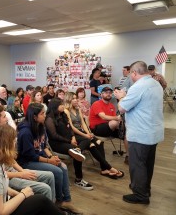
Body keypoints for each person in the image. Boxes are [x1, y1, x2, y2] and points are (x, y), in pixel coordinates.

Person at [0, 124, 78, 215]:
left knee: (39, 201)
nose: (15, 145)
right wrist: (23, 194)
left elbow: (0, 185)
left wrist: (16, 193)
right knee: (40, 201)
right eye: (14, 142)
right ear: (6, 146)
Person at [17, 103, 84, 215]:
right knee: (57, 171)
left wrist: (51, 157)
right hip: (27, 162)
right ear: (34, 117)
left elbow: (43, 147)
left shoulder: (41, 125)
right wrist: (49, 161)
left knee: (63, 166)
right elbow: (30, 155)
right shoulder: (25, 131)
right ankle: (57, 202)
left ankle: (66, 200)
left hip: (39, 157)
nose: (45, 116)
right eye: (42, 113)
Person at [114, 61, 164, 204]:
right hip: (153, 132)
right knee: (148, 163)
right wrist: (126, 94)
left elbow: (122, 107)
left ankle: (141, 195)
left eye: (131, 74)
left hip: (141, 133)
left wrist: (121, 97)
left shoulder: (138, 86)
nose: (130, 76)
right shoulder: (155, 83)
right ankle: (145, 189)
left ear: (134, 73)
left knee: (137, 164)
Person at [0, 105, 55, 201]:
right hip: (7, 178)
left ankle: (51, 207)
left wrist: (22, 171)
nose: (7, 118)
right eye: (4, 117)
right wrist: (21, 174)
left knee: (50, 175)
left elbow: (10, 159)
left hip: (14, 172)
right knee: (45, 188)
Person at [64, 92, 124, 179]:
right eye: (73, 98)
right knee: (91, 144)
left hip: (81, 132)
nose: (76, 100)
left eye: (75, 98)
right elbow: (72, 128)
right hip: (74, 134)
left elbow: (83, 123)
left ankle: (104, 168)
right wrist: (85, 136)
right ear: (68, 99)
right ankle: (108, 168)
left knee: (99, 142)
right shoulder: (66, 111)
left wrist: (88, 132)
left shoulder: (77, 109)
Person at [45, 98, 94, 191]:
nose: (63, 106)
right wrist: (69, 141)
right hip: (57, 143)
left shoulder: (63, 115)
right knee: (76, 153)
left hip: (68, 140)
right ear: (55, 106)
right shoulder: (49, 119)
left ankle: (78, 149)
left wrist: (73, 137)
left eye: (63, 104)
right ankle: (79, 180)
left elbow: (70, 128)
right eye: (61, 105)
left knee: (86, 140)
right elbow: (54, 136)